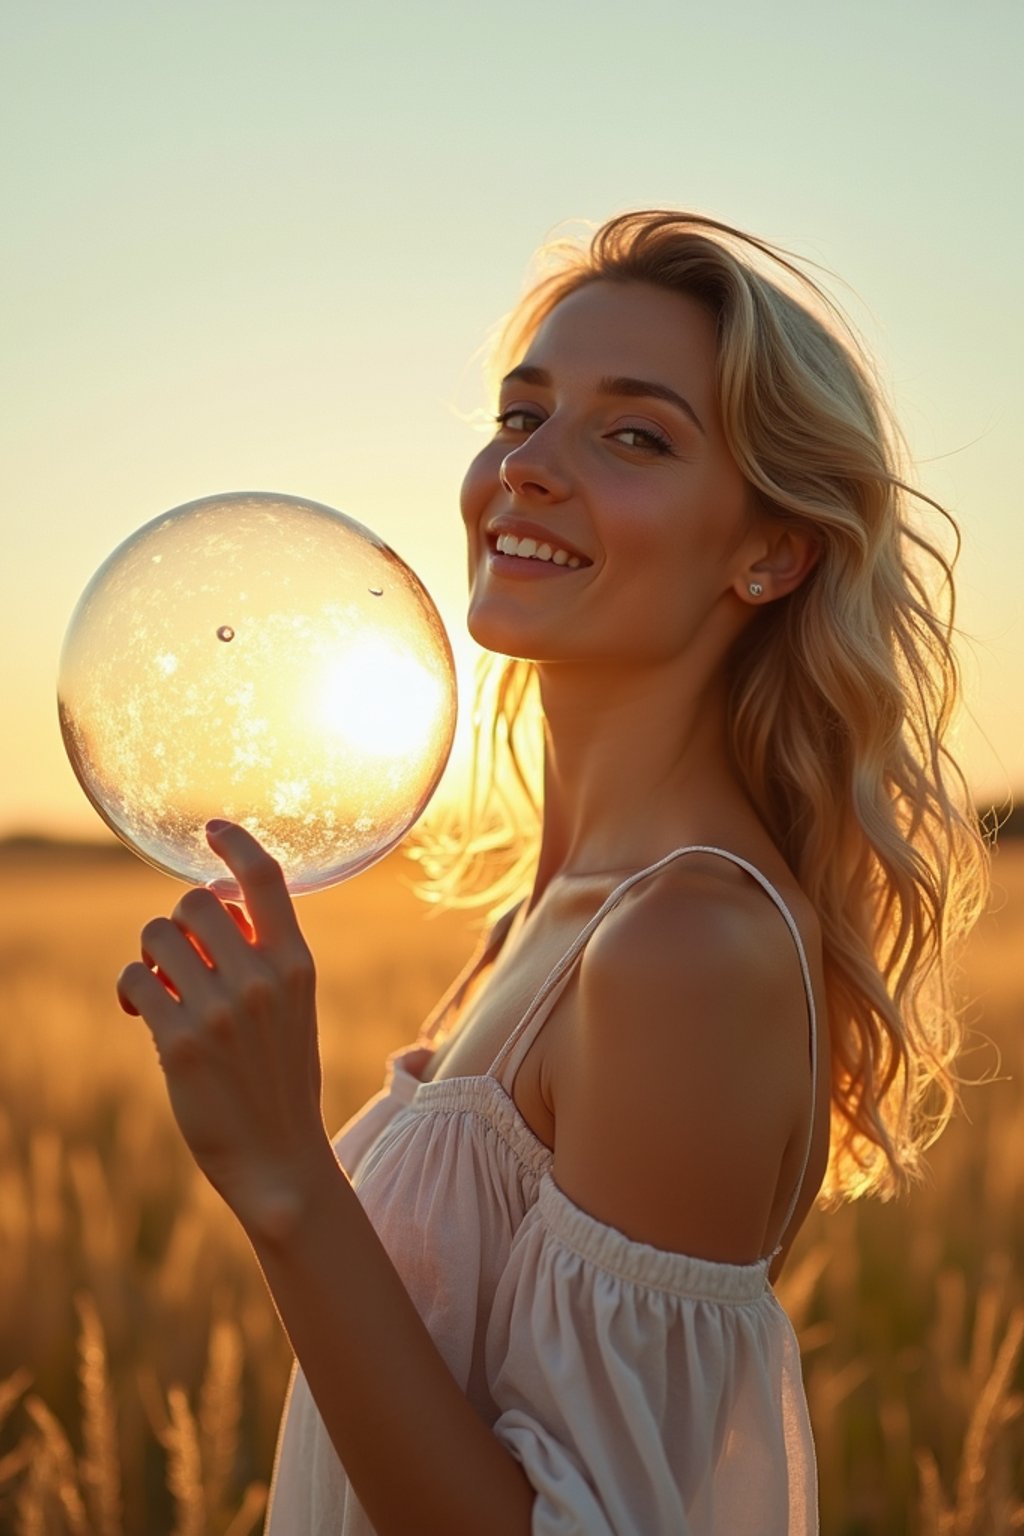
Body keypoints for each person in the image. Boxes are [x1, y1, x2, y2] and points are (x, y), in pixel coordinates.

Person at [117, 210, 988, 1534]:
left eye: (633, 434)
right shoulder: (544, 918)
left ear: (772, 551)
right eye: (522, 416)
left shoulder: (686, 947)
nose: (530, 465)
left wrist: (289, 1175)